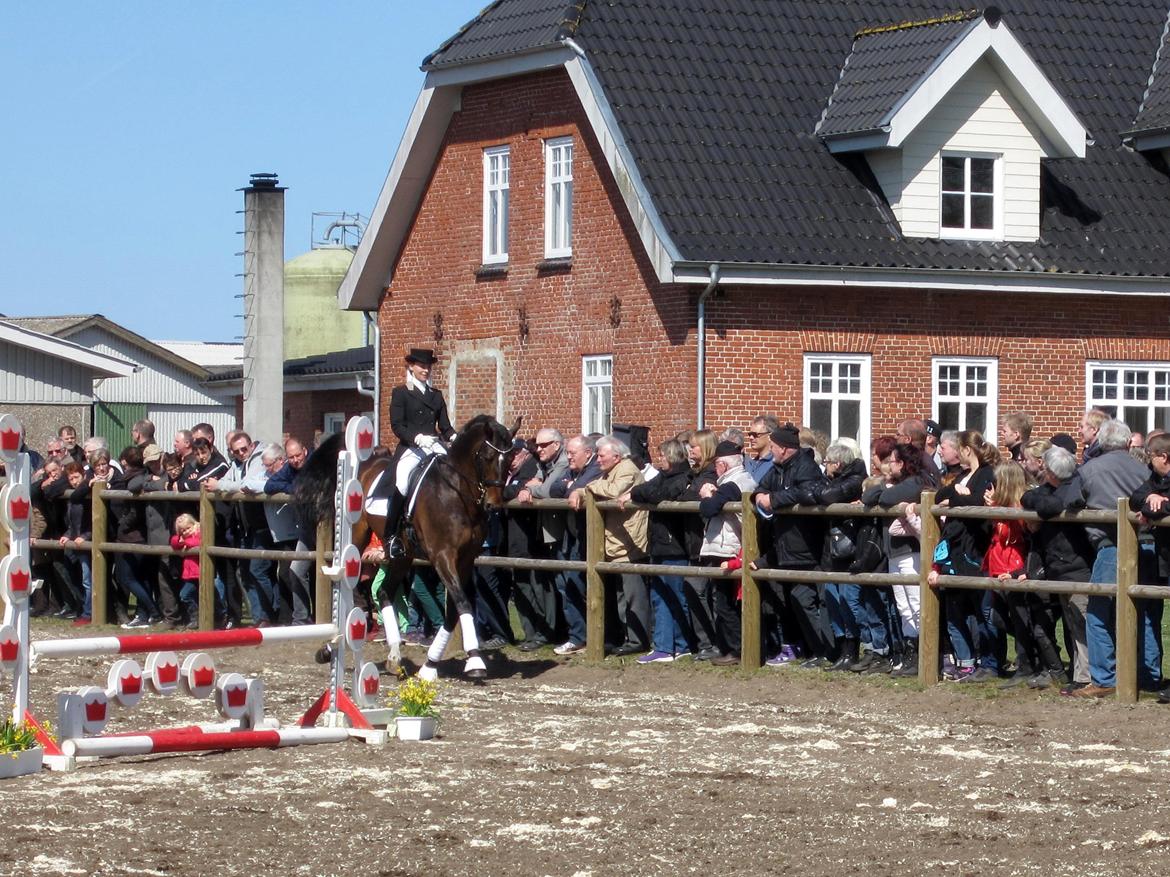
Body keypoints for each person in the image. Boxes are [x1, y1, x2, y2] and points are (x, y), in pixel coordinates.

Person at [568, 435, 649, 655]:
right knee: (619, 596)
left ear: (616, 455)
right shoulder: (609, 472)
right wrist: (579, 491)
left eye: (602, 456)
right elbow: (603, 488)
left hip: (630, 543)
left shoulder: (626, 469)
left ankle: (638, 640)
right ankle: (622, 637)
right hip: (614, 544)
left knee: (634, 596)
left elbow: (613, 490)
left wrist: (586, 487)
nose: (598, 460)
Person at [625, 438, 695, 662]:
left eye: (663, 456)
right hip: (660, 543)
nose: (659, 460)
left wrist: (639, 494)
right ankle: (670, 645)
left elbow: (657, 495)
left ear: (673, 457)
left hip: (674, 546)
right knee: (661, 595)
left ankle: (673, 646)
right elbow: (643, 489)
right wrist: (636, 493)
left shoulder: (683, 478)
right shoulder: (663, 476)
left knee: (673, 595)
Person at [383, 348, 456, 558]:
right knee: (403, 482)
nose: (426, 370)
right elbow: (397, 426)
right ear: (412, 367)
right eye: (422, 366)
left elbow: (445, 427)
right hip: (412, 447)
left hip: (433, 445)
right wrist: (416, 437)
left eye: (428, 367)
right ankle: (391, 536)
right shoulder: (401, 393)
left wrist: (455, 438)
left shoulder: (436, 395)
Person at [170, 514, 203, 629]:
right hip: (190, 574)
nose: (186, 532)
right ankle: (195, 618)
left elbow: (197, 542)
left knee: (185, 595)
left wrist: (184, 542)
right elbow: (173, 542)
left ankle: (197, 618)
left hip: (199, 573)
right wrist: (179, 538)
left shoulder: (199, 533)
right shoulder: (183, 539)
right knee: (188, 596)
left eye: (188, 528)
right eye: (182, 530)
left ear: (194, 524)